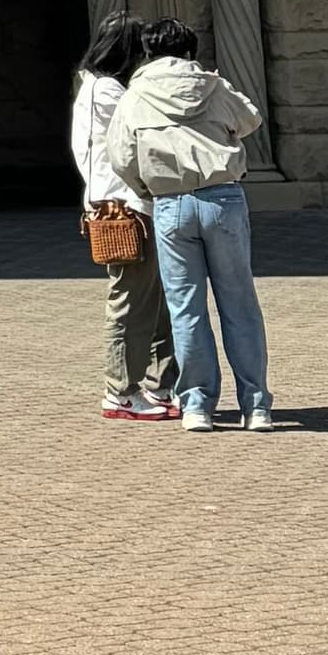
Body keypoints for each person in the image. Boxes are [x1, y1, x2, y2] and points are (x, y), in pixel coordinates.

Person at [107, 23, 273, 427]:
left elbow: (121, 155)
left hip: (170, 202)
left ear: (148, 52)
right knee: (239, 306)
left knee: (186, 309)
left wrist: (147, 187)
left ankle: (197, 404)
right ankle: (257, 406)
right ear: (190, 49)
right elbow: (250, 119)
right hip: (223, 197)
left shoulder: (136, 94)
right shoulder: (213, 86)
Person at [70, 17, 180, 422]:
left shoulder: (101, 87)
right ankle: (120, 391)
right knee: (131, 301)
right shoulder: (105, 91)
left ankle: (160, 385)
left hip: (138, 204)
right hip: (124, 207)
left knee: (158, 301)